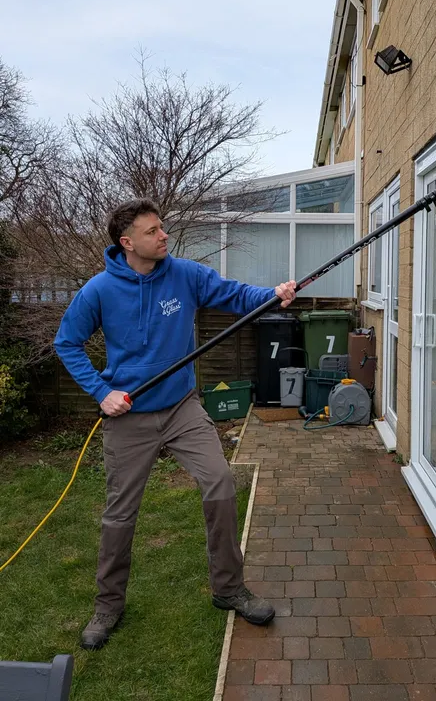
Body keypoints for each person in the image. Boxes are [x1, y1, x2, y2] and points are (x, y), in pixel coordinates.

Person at [54, 198, 296, 650]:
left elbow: (234, 294)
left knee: (221, 482)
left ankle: (228, 589)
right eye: (152, 232)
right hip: (130, 416)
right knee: (119, 515)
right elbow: (67, 343)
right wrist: (101, 392)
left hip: (182, 408)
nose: (163, 236)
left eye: (162, 228)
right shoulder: (99, 291)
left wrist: (272, 294)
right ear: (127, 243)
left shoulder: (185, 275)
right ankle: (108, 604)